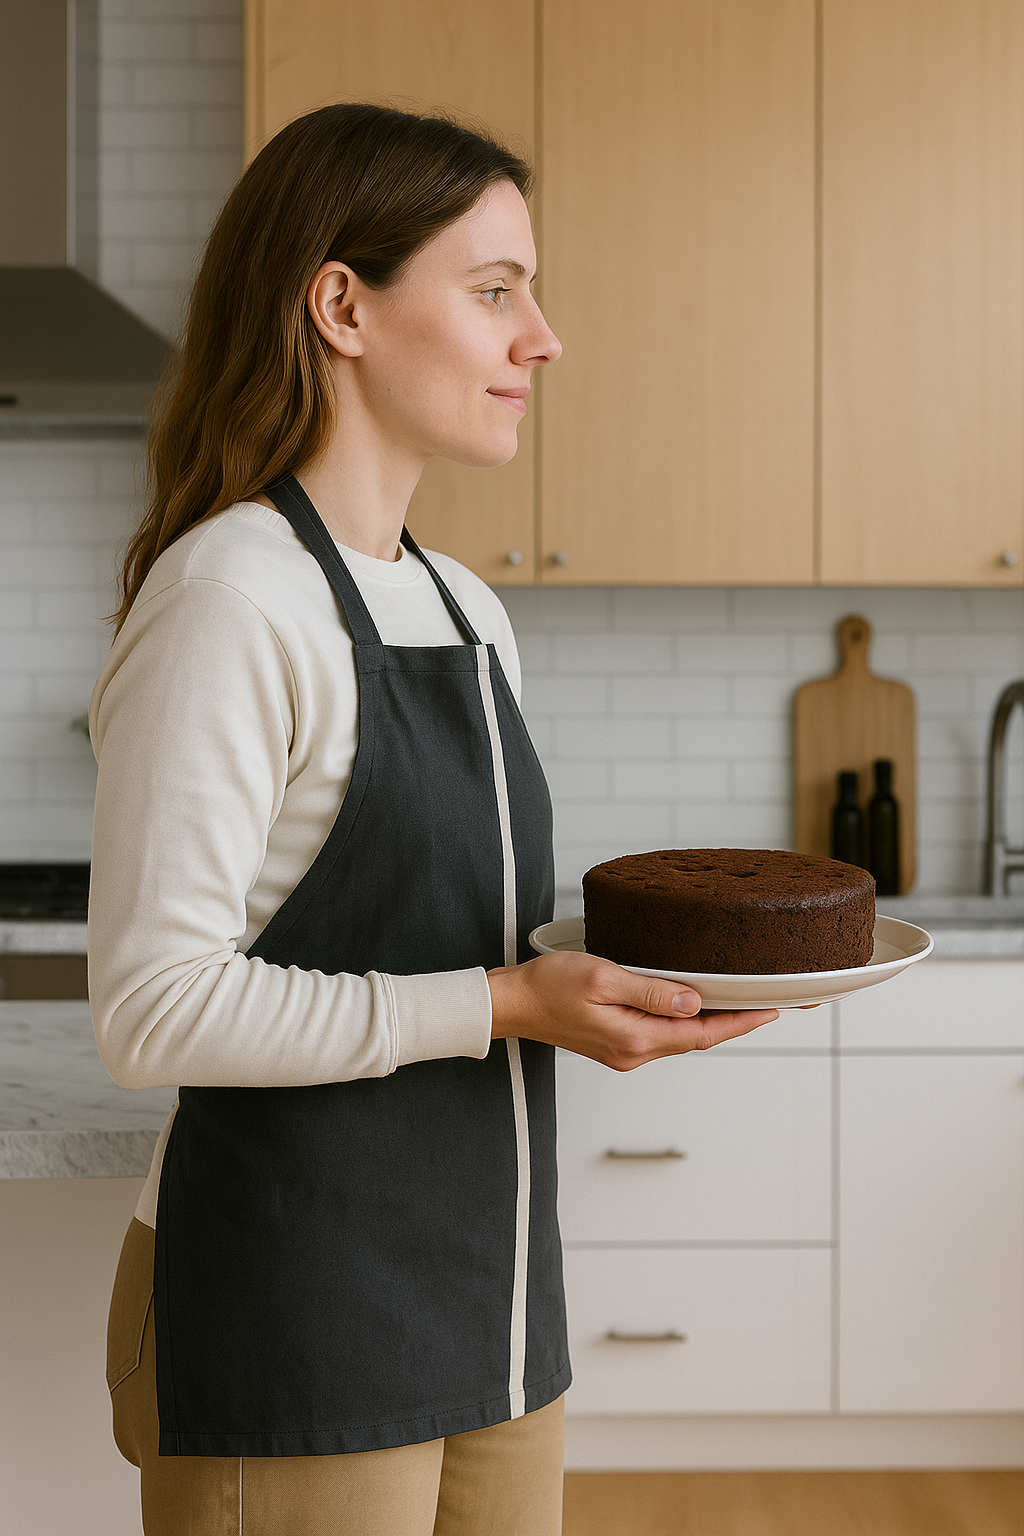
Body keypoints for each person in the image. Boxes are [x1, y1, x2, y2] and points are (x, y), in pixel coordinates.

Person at [89, 102, 778, 1536]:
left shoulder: (469, 607)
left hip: (498, 1296)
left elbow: (465, 944)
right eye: (494, 290)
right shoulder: (232, 598)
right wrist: (513, 1003)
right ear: (341, 304)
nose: (544, 337)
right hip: (295, 1314)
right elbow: (153, 1011)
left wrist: (612, 987)